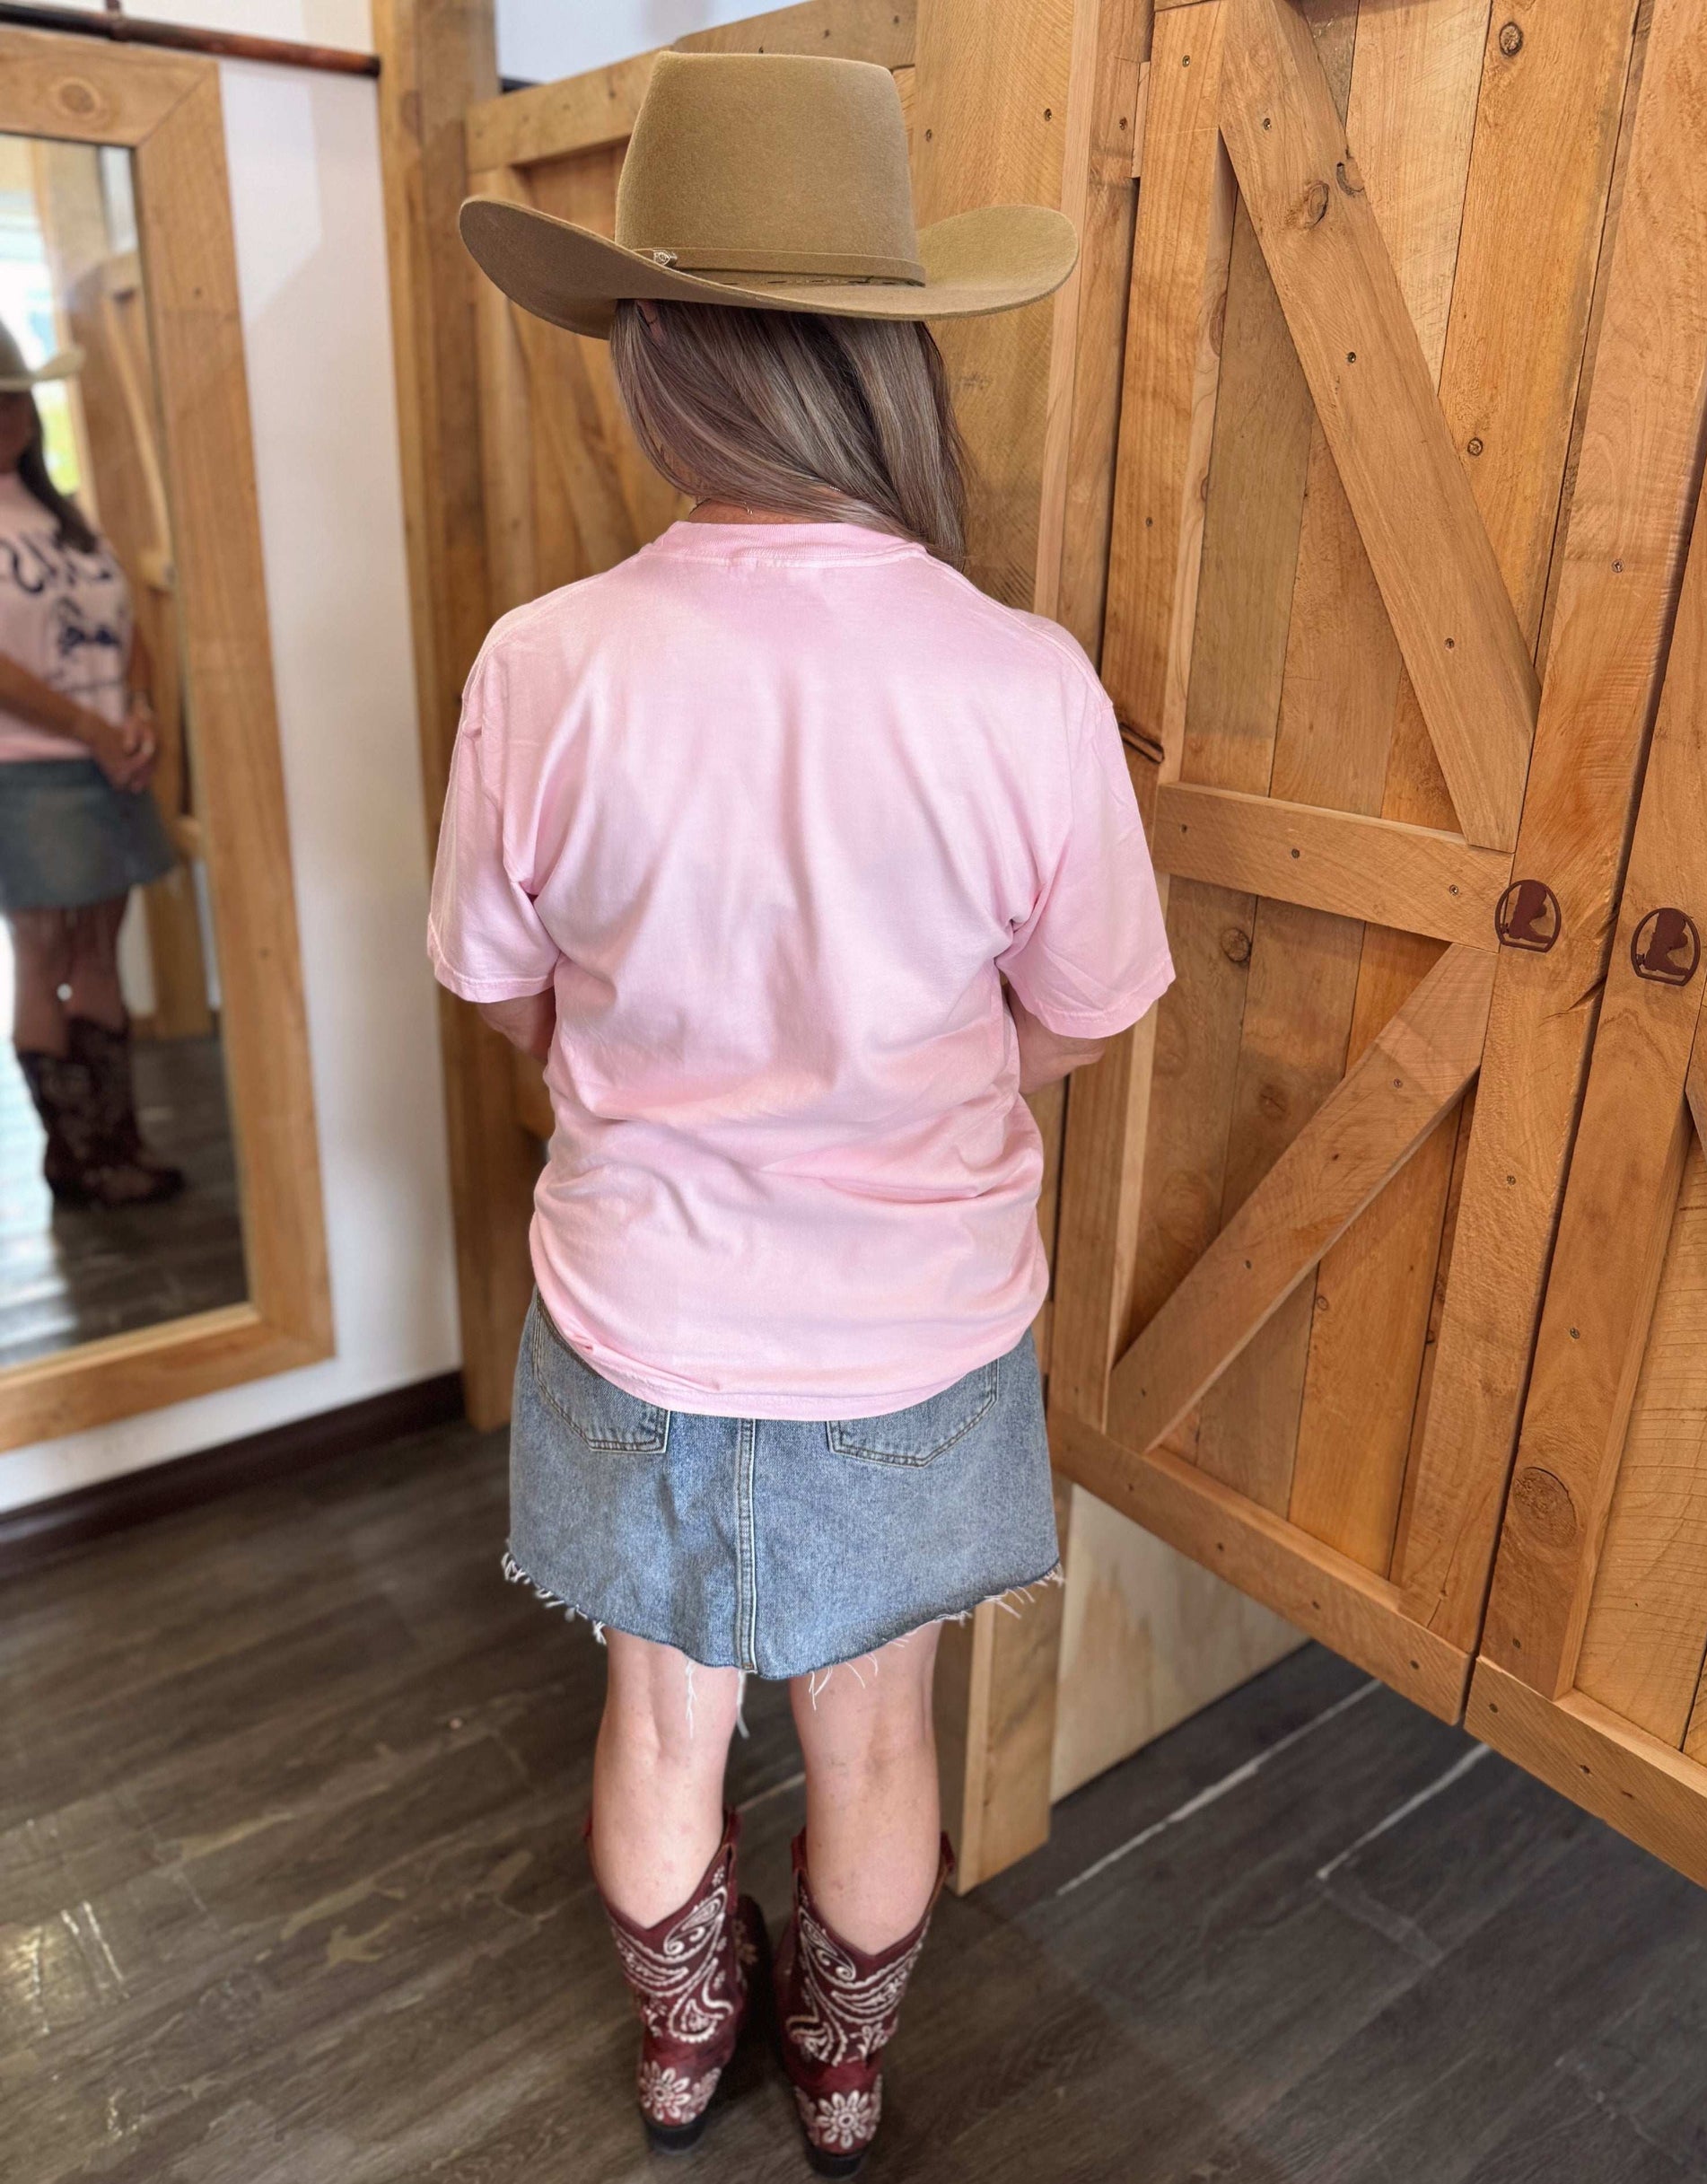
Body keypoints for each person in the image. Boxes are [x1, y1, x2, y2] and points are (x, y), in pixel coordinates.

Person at [432, 51, 1172, 2177]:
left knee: (658, 1715)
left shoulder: (544, 662)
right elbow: (1086, 1011)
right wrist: (917, 1091)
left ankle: (683, 2059)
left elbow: (493, 983)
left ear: (656, 354)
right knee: (875, 1734)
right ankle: (839, 2076)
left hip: (633, 1298)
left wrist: (622, 1083)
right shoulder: (1021, 677)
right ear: (889, 366)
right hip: (920, 1323)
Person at [0, 321, 181, 1206]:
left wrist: (137, 711)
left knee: (100, 952)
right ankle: (74, 1155)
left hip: (111, 769)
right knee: (40, 955)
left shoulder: (65, 515)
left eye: (14, 396)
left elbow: (127, 630)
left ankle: (110, 1149)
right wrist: (91, 726)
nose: (6, 414)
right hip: (25, 773)